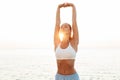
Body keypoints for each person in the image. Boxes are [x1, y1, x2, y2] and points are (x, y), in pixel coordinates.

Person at [54, 2, 80, 80]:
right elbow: (57, 24)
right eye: (62, 27)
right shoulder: (57, 42)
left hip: (72, 77)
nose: (63, 27)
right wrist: (58, 8)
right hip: (59, 76)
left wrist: (73, 6)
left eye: (66, 26)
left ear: (70, 30)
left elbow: (74, 23)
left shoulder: (74, 42)